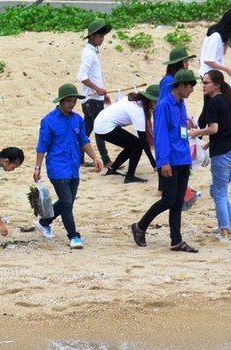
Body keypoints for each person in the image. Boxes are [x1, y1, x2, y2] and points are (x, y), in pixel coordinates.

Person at [131, 69, 200, 253]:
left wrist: (188, 159)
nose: (192, 90)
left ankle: (176, 240)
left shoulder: (181, 104)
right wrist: (163, 162)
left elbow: (182, 132)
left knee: (178, 202)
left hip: (183, 159)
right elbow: (161, 136)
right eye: (190, 87)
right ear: (181, 86)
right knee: (168, 200)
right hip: (171, 160)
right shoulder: (163, 106)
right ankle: (140, 226)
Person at [33, 83, 103, 249]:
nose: (72, 104)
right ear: (61, 101)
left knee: (67, 201)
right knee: (67, 203)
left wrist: (95, 157)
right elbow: (42, 145)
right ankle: (73, 236)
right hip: (57, 167)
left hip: (73, 167)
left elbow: (84, 140)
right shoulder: (48, 121)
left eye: (74, 101)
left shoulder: (77, 119)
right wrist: (37, 167)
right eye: (69, 101)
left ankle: (44, 222)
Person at [189, 70, 231, 243]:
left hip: (224, 155)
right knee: (217, 190)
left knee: (219, 192)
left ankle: (223, 230)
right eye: (203, 82)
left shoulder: (214, 102)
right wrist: (208, 144)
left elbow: (214, 129)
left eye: (206, 82)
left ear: (217, 84)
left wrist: (196, 133)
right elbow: (227, 128)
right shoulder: (227, 100)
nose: (203, 85)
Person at [94, 84, 160, 183]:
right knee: (137, 145)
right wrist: (154, 164)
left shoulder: (136, 100)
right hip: (105, 127)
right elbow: (143, 140)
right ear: (150, 100)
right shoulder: (138, 110)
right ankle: (130, 176)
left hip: (101, 123)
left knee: (131, 145)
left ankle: (112, 169)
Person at [77, 19, 113, 168]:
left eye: (103, 35)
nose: (102, 38)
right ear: (92, 36)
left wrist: (102, 93)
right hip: (92, 99)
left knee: (86, 130)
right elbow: (82, 76)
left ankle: (79, 158)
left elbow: (94, 76)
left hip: (90, 98)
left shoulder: (92, 51)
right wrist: (97, 90)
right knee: (100, 128)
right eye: (99, 35)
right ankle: (106, 160)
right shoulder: (89, 54)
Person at [198, 9, 231, 128]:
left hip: (213, 75)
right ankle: (198, 133)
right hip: (209, 75)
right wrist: (227, 69)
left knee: (210, 104)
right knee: (209, 106)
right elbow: (209, 59)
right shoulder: (215, 36)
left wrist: (226, 42)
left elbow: (221, 54)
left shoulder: (218, 35)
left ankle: (199, 133)